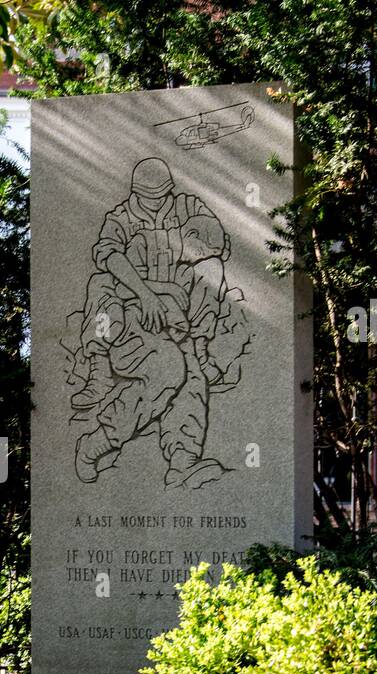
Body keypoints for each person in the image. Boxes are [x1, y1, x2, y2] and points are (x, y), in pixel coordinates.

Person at [63, 157, 250, 487]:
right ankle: (97, 424)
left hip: (179, 320)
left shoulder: (186, 207)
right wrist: (148, 292)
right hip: (131, 323)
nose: (155, 204)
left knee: (191, 377)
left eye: (161, 196)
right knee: (167, 366)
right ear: (135, 193)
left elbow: (215, 243)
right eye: (147, 197)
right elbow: (107, 255)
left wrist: (168, 282)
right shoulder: (121, 217)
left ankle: (182, 461)